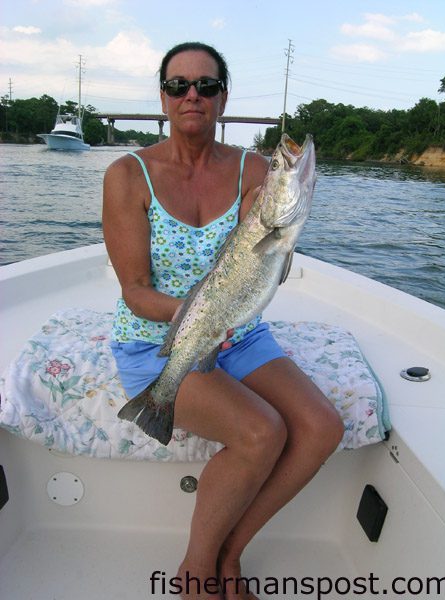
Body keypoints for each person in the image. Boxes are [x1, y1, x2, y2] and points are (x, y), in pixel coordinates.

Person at [102, 41, 344, 600]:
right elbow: (136, 293)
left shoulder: (255, 169)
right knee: (262, 431)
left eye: (206, 86)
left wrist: (289, 210)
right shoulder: (126, 175)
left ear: (223, 97)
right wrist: (196, 314)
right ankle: (195, 568)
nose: (192, 95)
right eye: (179, 85)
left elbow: (258, 264)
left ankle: (230, 552)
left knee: (321, 427)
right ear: (162, 96)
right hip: (157, 342)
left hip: (238, 329)